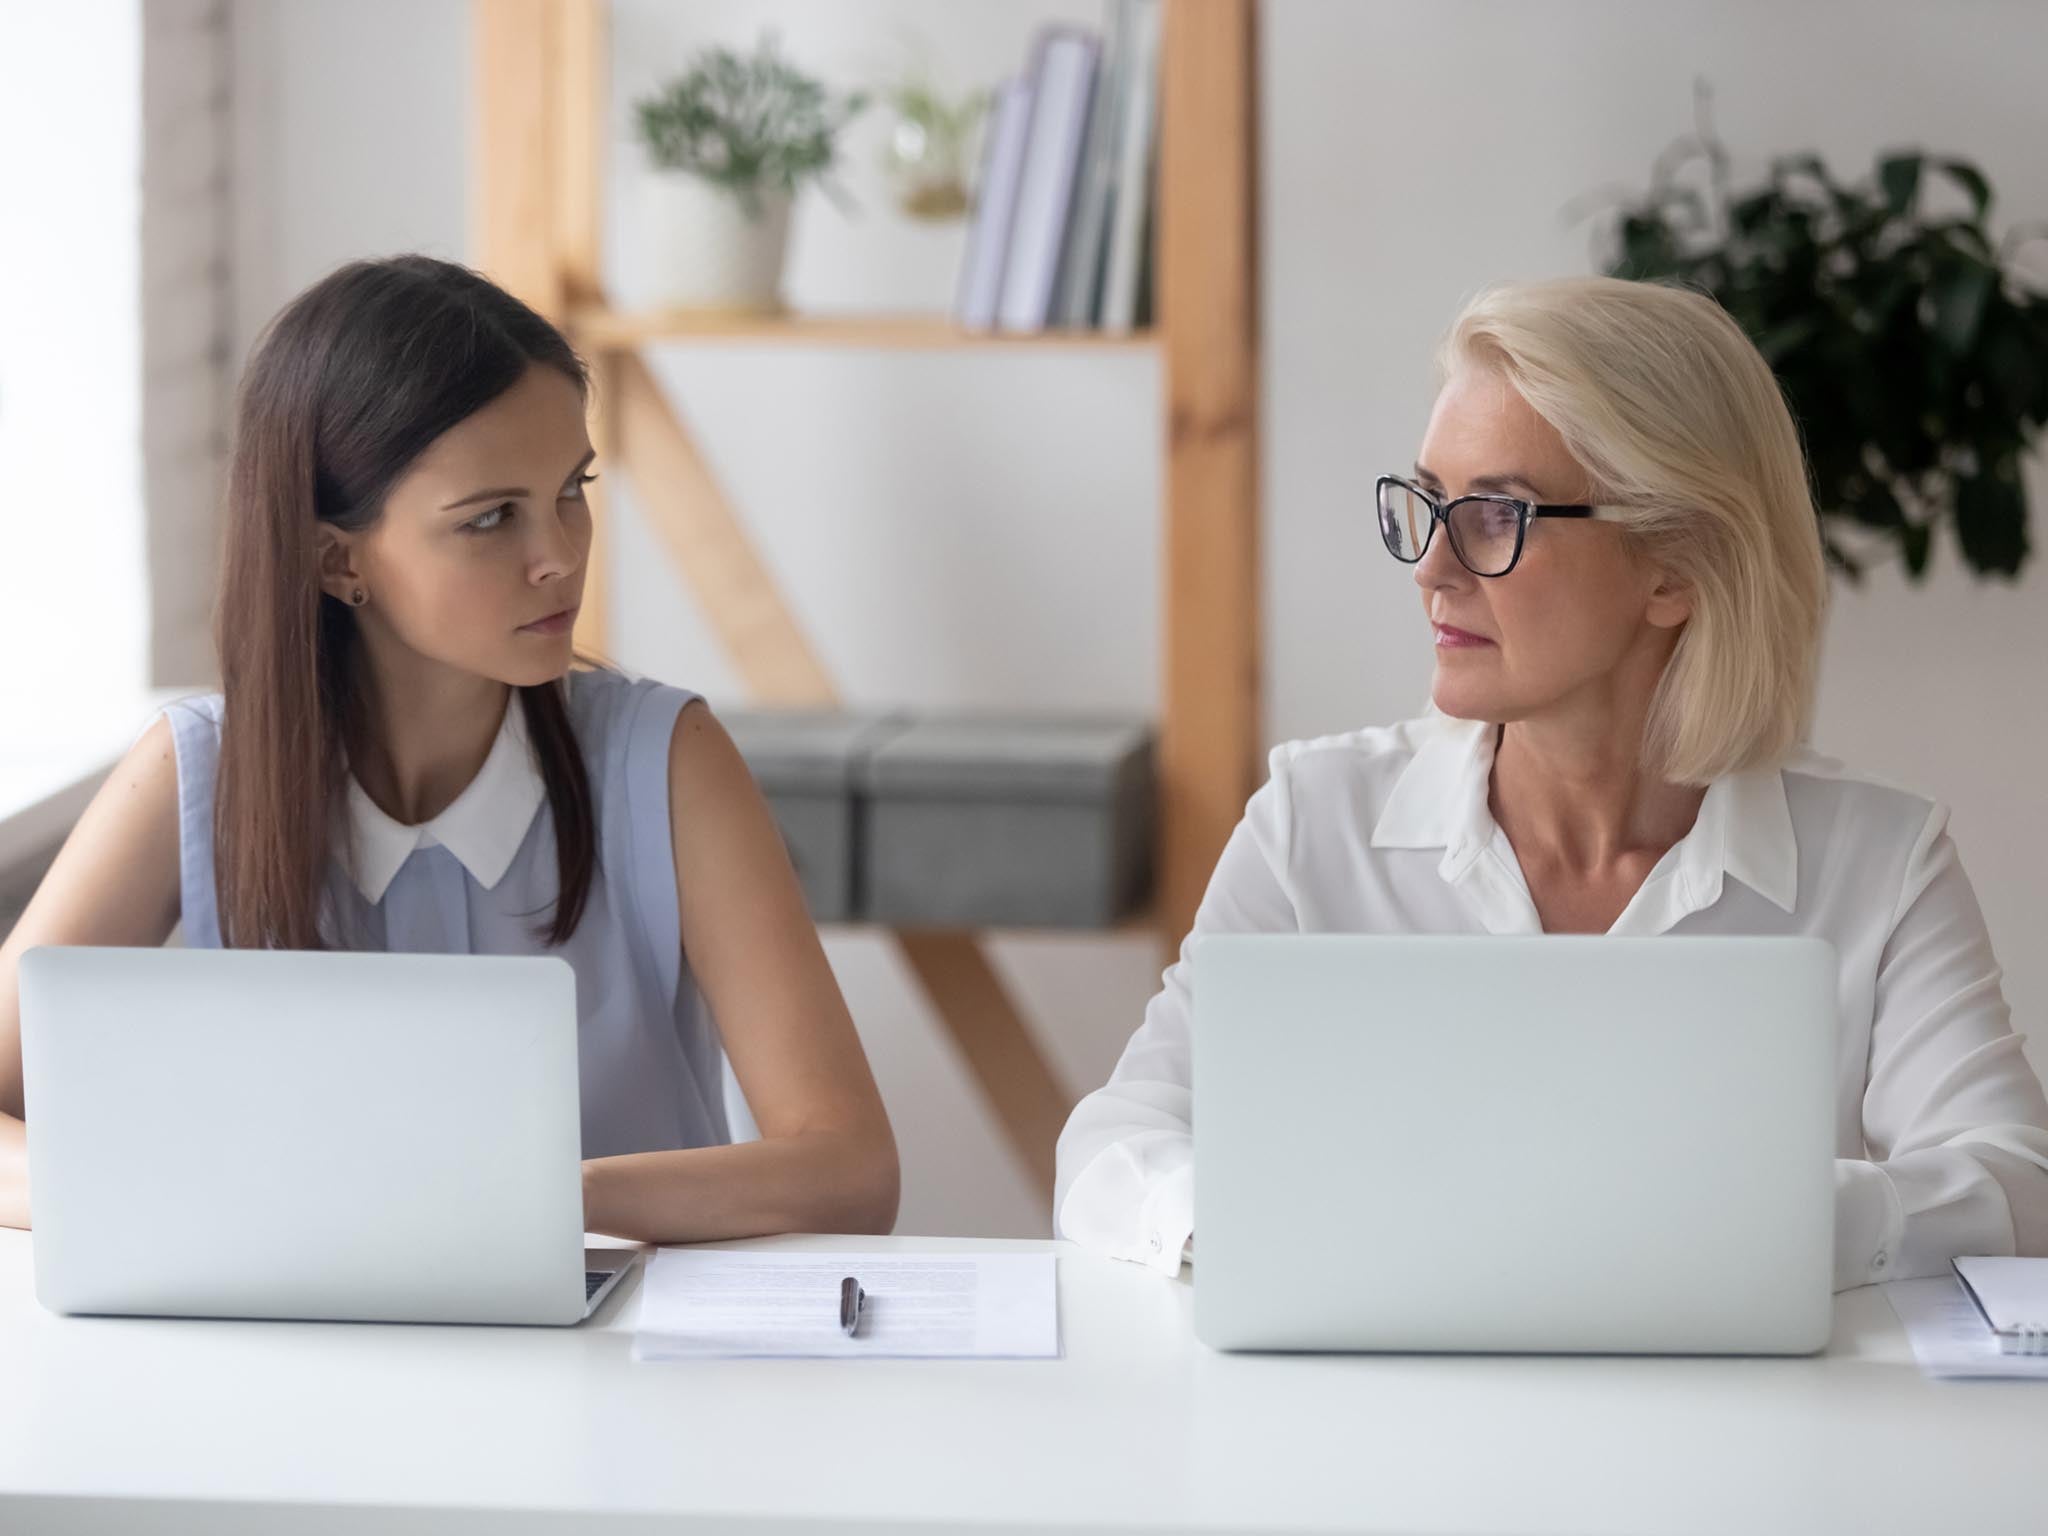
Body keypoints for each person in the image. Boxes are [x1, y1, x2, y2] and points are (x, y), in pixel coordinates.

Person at [1056, 276, 2048, 1290]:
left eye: (1493, 514)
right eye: (1427, 504)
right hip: (1376, 1425)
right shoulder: (1316, 823)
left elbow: (2011, 1189)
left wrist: (1756, 1216)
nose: (1430, 566)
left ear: (1675, 567)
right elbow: (1113, 1147)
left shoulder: (1878, 862)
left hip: (1741, 1436)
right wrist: (1257, 1225)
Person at [0, 255, 898, 1241]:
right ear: (337, 560)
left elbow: (847, 1167)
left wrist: (528, 1199)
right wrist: (153, 1198)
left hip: (629, 1370)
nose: (559, 553)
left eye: (571, 490)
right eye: (490, 519)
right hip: (308, 1366)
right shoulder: (194, 770)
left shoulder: (667, 760)